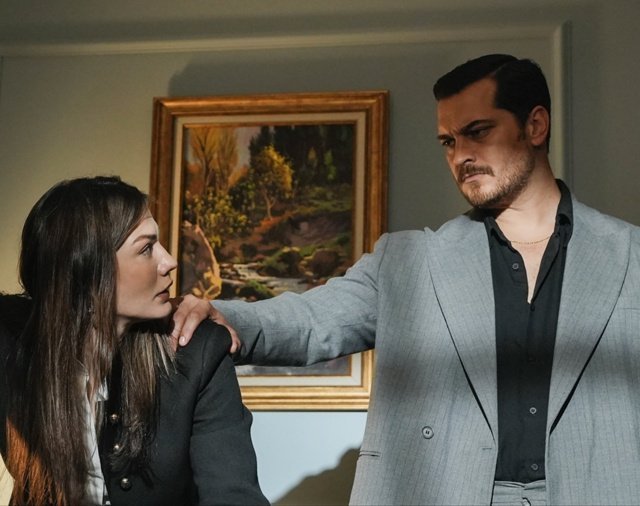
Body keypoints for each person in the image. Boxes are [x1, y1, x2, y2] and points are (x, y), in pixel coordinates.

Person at [177, 53, 640, 505]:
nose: (461, 155)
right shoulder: (407, 261)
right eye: (448, 142)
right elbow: (312, 319)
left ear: (535, 126)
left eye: (478, 132)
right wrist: (226, 316)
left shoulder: (631, 255)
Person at [0, 176, 269, 506]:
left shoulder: (199, 352)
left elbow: (234, 496)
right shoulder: (11, 349)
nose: (169, 261)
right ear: (86, 271)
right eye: (146, 248)